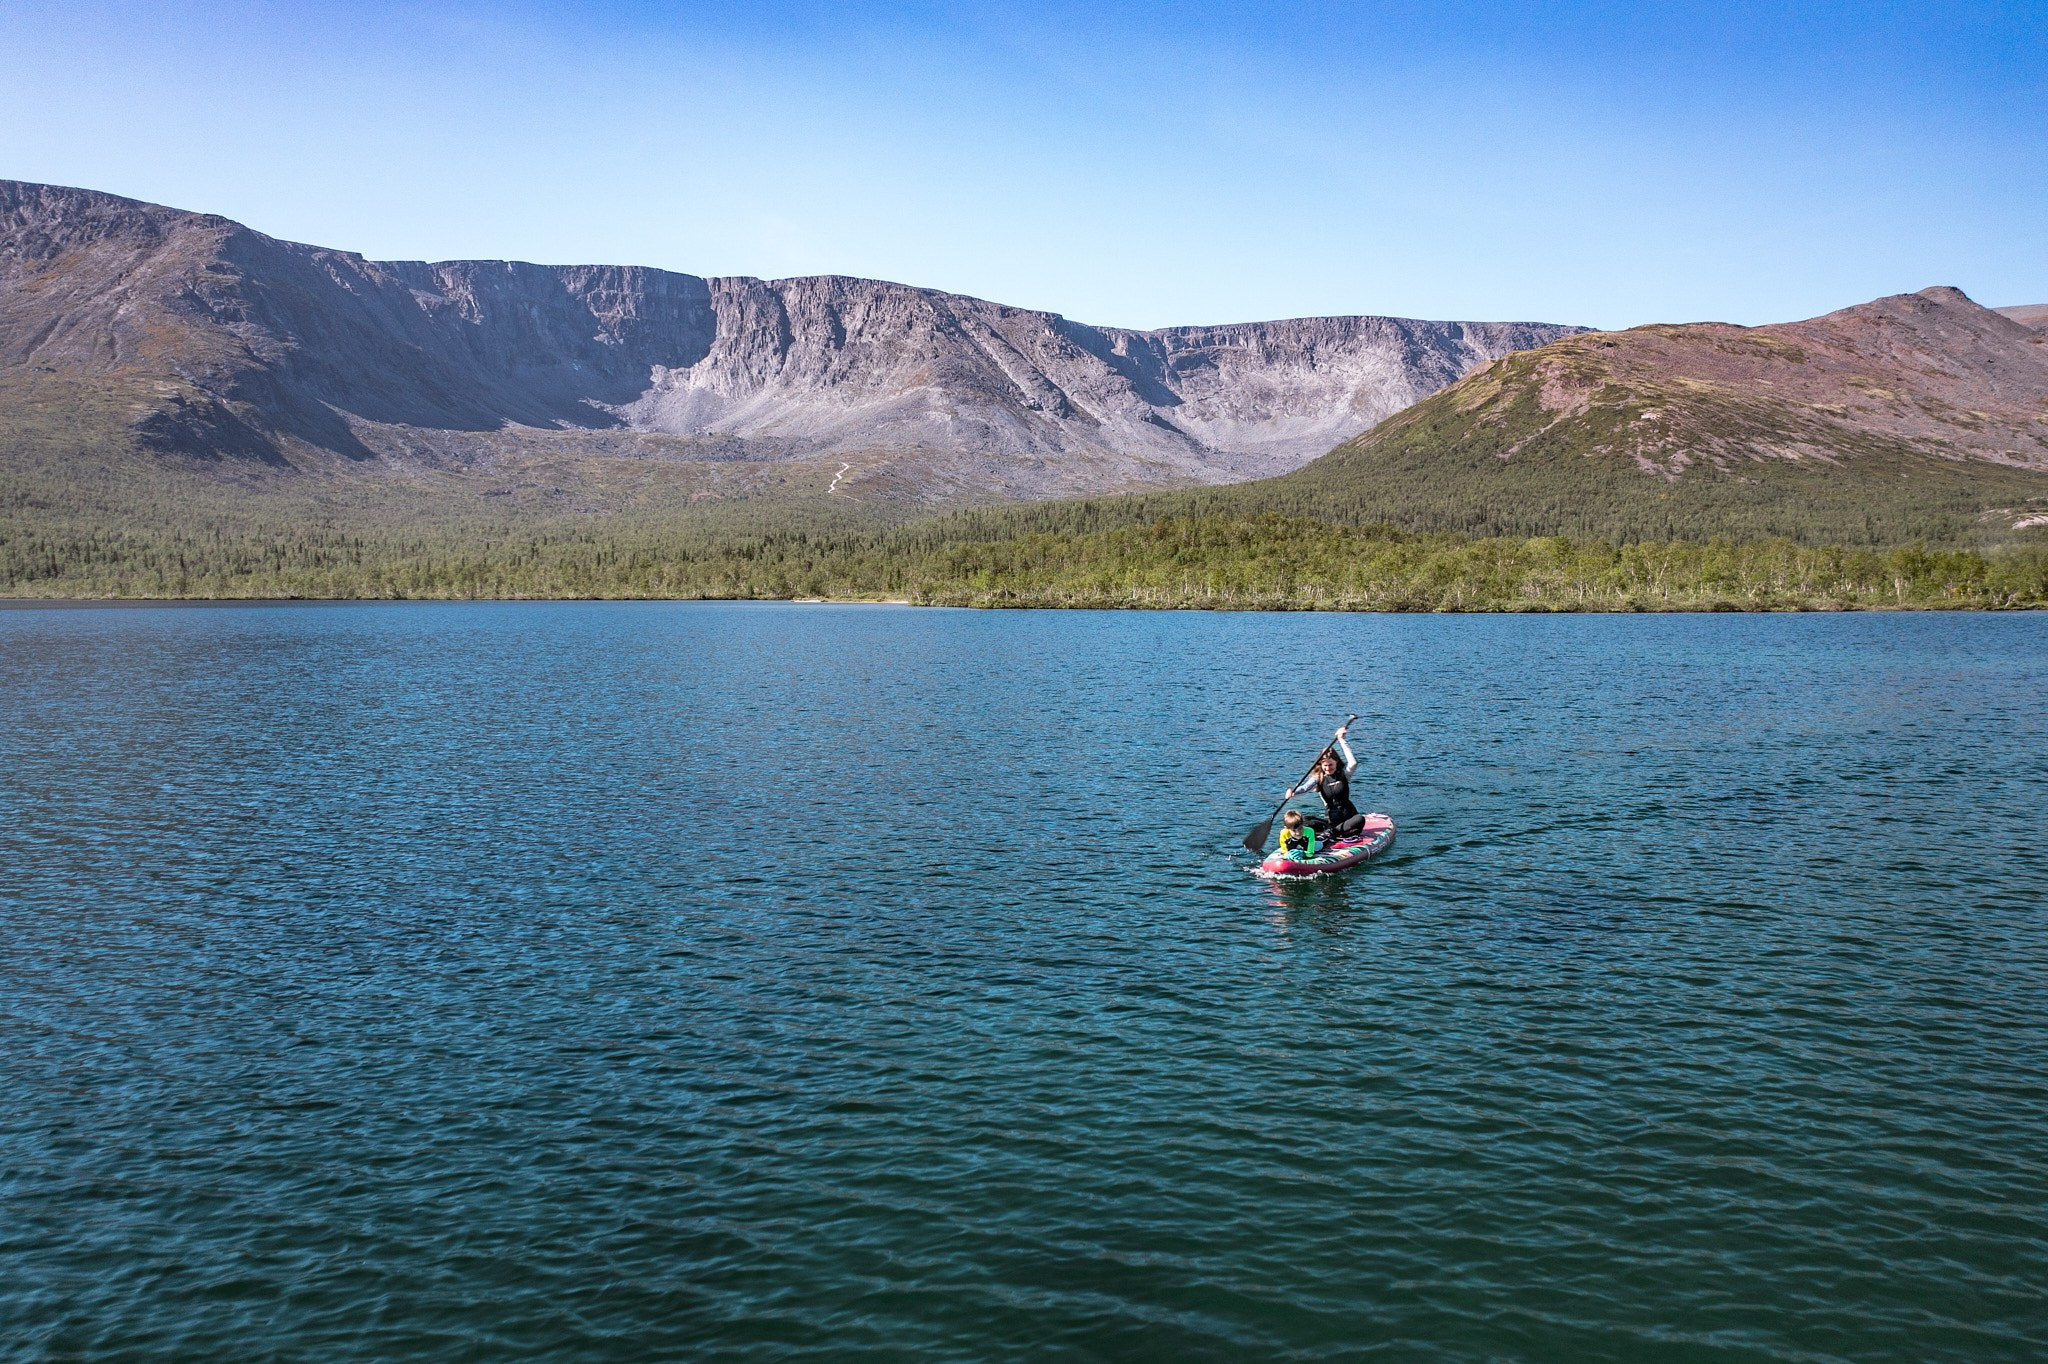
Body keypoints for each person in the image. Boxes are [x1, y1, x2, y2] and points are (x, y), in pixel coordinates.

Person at [1282, 724, 1364, 841]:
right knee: (1305, 820)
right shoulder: (1318, 778)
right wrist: (1292, 791)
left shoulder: (1344, 773)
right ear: (1321, 765)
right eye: (1325, 765)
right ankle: (1329, 833)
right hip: (1331, 822)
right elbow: (1304, 788)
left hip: (1348, 820)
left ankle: (1331, 834)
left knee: (1360, 819)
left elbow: (1353, 763)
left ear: (1336, 762)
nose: (1328, 768)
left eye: (1331, 765)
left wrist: (1342, 740)